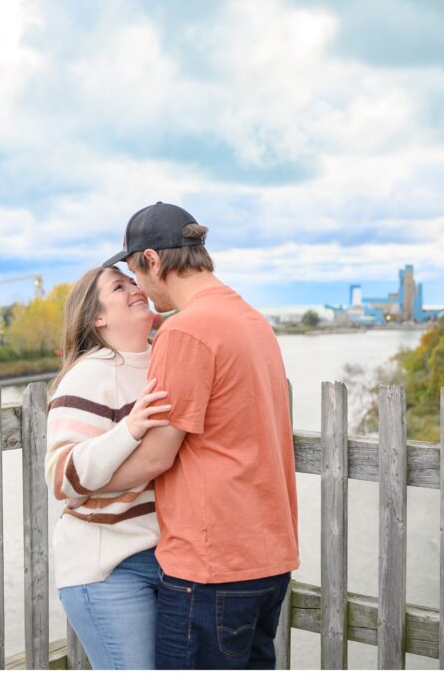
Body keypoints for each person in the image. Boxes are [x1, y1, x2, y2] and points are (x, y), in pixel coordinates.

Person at [98, 201, 300, 669]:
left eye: (135, 272)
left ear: (152, 260)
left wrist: (86, 485)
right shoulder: (250, 319)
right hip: (268, 557)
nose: (142, 292)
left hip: (212, 566)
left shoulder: (186, 331)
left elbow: (156, 456)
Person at [44, 265, 172, 669]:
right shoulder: (89, 375)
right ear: (97, 317)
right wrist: (129, 429)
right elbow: (62, 476)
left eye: (134, 281)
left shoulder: (163, 358)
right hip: (108, 568)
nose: (136, 289)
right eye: (119, 287)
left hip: (165, 557)